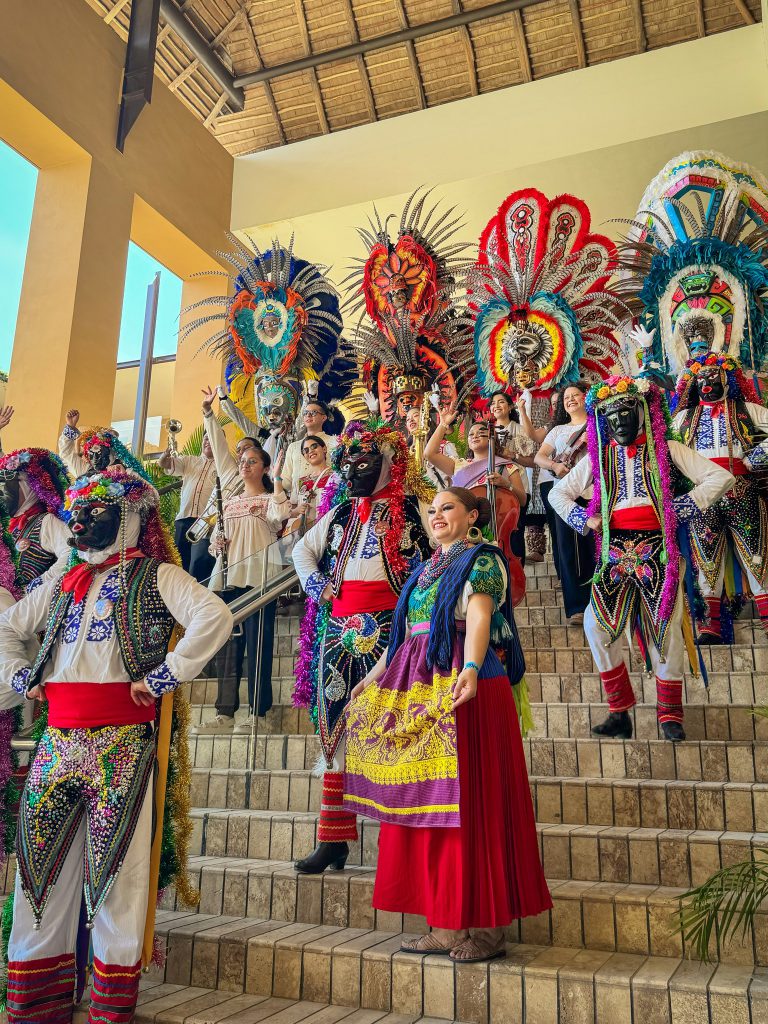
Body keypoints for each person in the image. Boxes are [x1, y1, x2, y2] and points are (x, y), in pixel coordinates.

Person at [0, 467, 232, 1023]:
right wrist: (19, 675)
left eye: (95, 510)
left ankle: (110, 1003)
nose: (80, 521)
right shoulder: (64, 581)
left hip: (122, 742)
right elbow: (8, 626)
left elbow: (214, 615)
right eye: (76, 511)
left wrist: (164, 675)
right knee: (39, 868)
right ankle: (37, 1001)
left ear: (130, 514)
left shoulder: (157, 574)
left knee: (117, 873)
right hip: (57, 739)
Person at [344, 487, 550, 961]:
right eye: (432, 510)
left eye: (448, 508)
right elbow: (402, 640)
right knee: (429, 805)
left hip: (463, 684)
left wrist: (471, 669)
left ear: (473, 516)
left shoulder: (483, 559)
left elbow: (479, 616)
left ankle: (488, 928)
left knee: (474, 803)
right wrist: (370, 680)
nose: (436, 516)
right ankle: (445, 924)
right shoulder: (424, 570)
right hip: (420, 687)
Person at [550, 377, 734, 742]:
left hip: (658, 548)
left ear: (643, 411)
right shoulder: (600, 458)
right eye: (611, 414)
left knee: (665, 627)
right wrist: (584, 518)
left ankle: (670, 714)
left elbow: (720, 477)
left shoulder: (667, 448)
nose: (619, 421)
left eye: (626, 411)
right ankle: (619, 710)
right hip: (614, 551)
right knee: (595, 625)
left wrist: (681, 507)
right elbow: (558, 493)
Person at [291, 419, 431, 874]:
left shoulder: (412, 507)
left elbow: (437, 554)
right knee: (334, 725)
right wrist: (318, 586)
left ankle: (401, 844)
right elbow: (301, 551)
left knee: (395, 724)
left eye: (364, 462)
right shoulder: (340, 514)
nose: (353, 472)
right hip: (339, 629)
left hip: (393, 628)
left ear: (388, 462)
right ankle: (333, 838)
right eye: (347, 464)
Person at [671, 353, 768, 641]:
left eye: (714, 378)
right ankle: (709, 627)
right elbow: (663, 449)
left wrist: (756, 457)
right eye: (701, 379)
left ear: (727, 381)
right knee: (706, 558)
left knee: (756, 554)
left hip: (742, 489)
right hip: (703, 494)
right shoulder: (683, 418)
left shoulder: (746, 409)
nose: (706, 383)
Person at [195, 442, 289, 734]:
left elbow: (281, 515)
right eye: (242, 461)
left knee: (259, 645)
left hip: (260, 580)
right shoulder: (229, 502)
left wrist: (277, 479)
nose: (245, 465)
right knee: (228, 647)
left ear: (264, 467)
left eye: (252, 461)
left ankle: (258, 713)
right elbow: (213, 545)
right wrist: (217, 545)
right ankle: (225, 714)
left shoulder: (270, 499)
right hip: (228, 579)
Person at [534, 383, 593, 623]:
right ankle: (576, 607)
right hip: (565, 493)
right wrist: (554, 465)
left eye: (575, 395)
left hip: (594, 492)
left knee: (593, 546)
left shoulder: (598, 422)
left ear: (585, 398)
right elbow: (539, 457)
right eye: (566, 397)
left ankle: (599, 604)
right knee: (568, 549)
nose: (570, 400)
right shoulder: (558, 430)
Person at [0, 448, 72, 591]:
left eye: (4, 486)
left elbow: (71, 553)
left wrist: (40, 583)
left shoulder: (46, 521)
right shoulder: (7, 529)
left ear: (27, 487)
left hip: (31, 601)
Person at [158, 431, 216, 579]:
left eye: (212, 437)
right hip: (184, 519)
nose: (208, 441)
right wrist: (166, 454)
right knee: (179, 564)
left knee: (199, 566)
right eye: (206, 438)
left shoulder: (223, 466)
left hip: (206, 523)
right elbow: (164, 464)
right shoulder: (189, 460)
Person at [489, 391, 536, 564]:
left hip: (517, 487)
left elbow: (532, 462)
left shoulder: (519, 429)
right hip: (491, 487)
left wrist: (513, 455)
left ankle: (517, 574)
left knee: (514, 535)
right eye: (493, 403)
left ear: (510, 407)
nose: (496, 405)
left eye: (501, 402)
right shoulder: (485, 431)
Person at [58, 409, 150, 481]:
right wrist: (70, 426)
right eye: (91, 448)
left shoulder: (126, 471)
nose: (96, 454)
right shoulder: (83, 468)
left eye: (101, 447)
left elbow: (148, 490)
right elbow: (66, 453)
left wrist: (123, 475)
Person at [279, 400, 339, 496]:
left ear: (324, 417)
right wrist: (276, 477)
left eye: (313, 412)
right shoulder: (294, 446)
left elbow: (340, 474)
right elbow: (287, 483)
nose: (308, 415)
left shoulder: (335, 442)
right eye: (305, 413)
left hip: (327, 498)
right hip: (299, 501)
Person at [275, 434, 332, 531]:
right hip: (304, 533)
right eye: (306, 450)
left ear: (324, 449)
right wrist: (297, 510)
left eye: (314, 446)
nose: (310, 451)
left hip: (327, 529)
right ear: (304, 456)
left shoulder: (335, 477)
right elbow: (290, 511)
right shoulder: (302, 481)